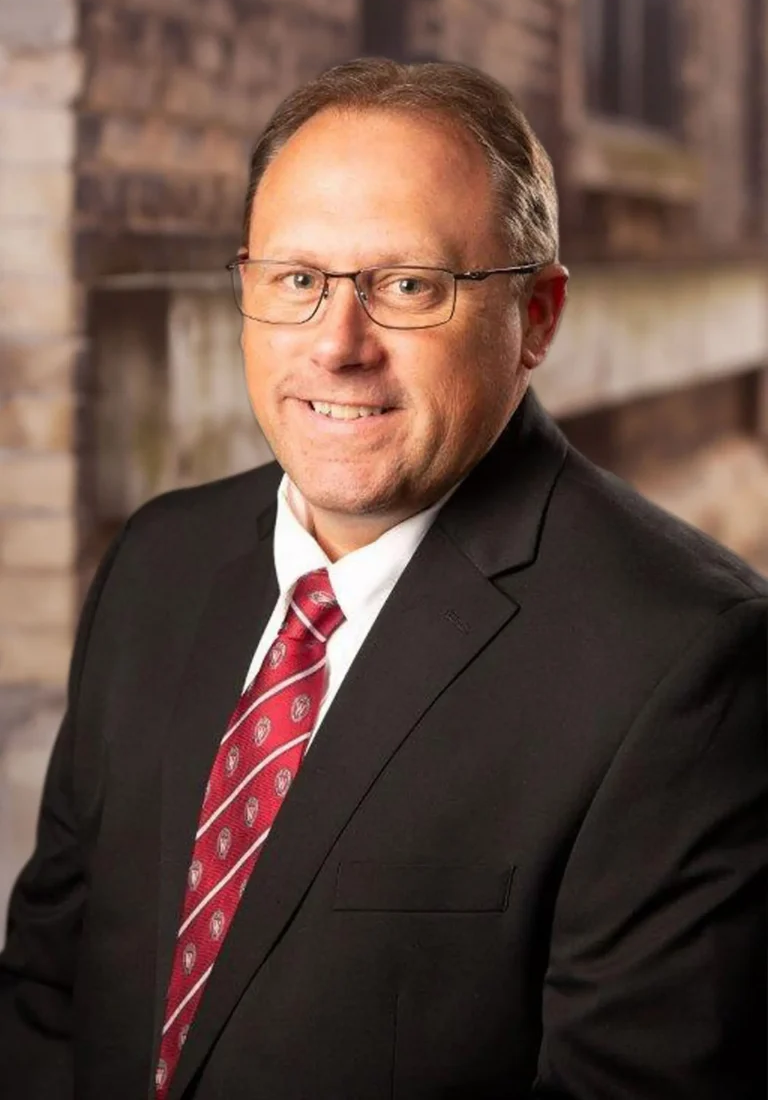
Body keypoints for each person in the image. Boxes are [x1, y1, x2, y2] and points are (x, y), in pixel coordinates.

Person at [0, 57, 765, 1100]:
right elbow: (48, 992)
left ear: (536, 317)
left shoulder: (683, 664)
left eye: (408, 285)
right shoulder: (155, 564)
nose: (338, 344)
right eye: (296, 280)